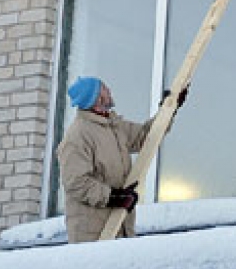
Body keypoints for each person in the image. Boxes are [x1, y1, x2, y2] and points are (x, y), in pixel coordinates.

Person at [57, 76, 187, 243]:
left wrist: (168, 110)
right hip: (93, 237)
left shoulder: (115, 127)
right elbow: (76, 182)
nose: (109, 91)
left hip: (121, 230)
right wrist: (113, 198)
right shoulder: (78, 136)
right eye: (104, 89)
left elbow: (145, 137)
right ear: (97, 98)